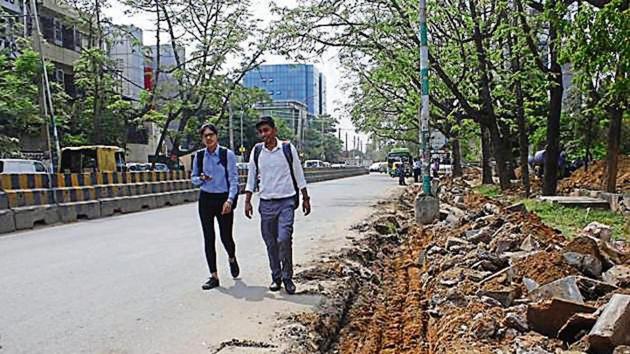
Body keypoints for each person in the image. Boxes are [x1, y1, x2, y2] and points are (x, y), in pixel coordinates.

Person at [244, 116, 311, 295]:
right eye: (260, 132)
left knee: (284, 239)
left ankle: (288, 277)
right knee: (271, 243)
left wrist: (305, 197)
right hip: (266, 203)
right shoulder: (257, 151)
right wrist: (247, 200)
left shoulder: (287, 149)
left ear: (274, 130)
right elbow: (251, 177)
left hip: (286, 201)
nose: (263, 134)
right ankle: (276, 277)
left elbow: (298, 173)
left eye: (266, 130)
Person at [191, 123, 240, 290]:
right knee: (208, 237)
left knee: (226, 236)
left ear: (216, 136)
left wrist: (230, 200)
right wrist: (201, 179)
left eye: (211, 134)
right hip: (206, 199)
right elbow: (193, 179)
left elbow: (234, 180)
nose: (209, 138)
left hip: (223, 199)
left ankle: (232, 257)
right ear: (202, 138)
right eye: (205, 136)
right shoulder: (198, 156)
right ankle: (214, 275)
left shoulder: (227, 155)